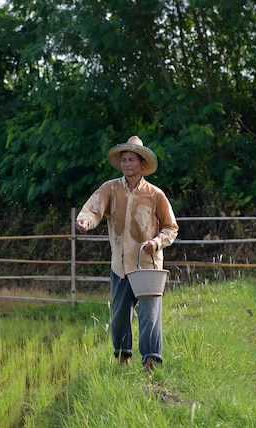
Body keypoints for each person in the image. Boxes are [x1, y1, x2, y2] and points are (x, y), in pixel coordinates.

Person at [76, 135, 179, 372]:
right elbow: (92, 209)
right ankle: (123, 361)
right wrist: (84, 221)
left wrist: (157, 241)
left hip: (148, 267)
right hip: (120, 266)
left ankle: (151, 362)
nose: (126, 164)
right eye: (123, 160)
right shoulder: (110, 189)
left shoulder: (155, 195)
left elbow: (170, 227)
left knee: (149, 316)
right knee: (120, 317)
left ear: (142, 164)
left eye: (131, 160)